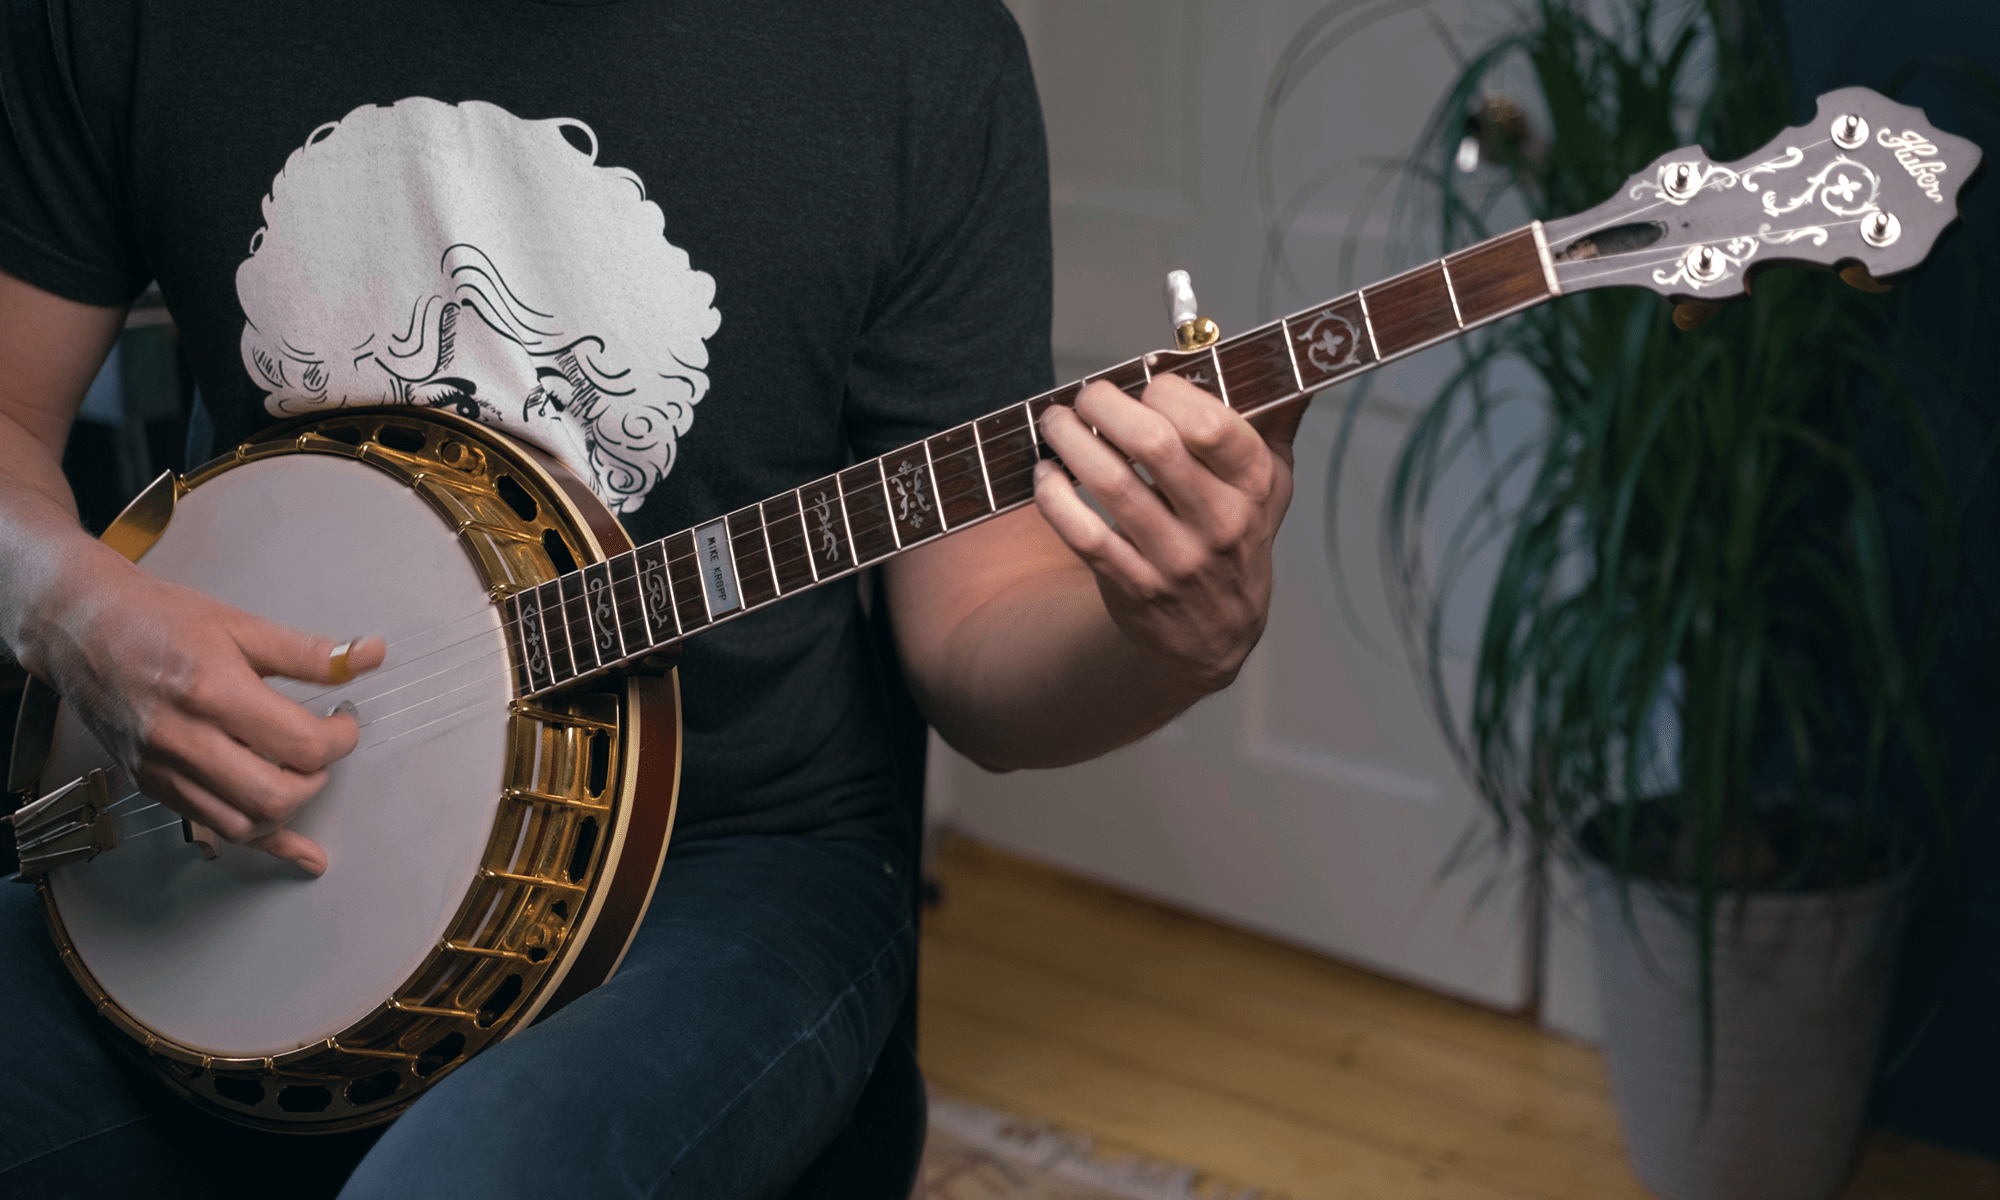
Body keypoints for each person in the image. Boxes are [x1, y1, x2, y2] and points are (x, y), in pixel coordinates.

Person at [0, 2, 1301, 1196]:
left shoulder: (914, 48)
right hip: (248, 831)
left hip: (732, 865)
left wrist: (1175, 640)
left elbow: (980, 651)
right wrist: (78, 609)